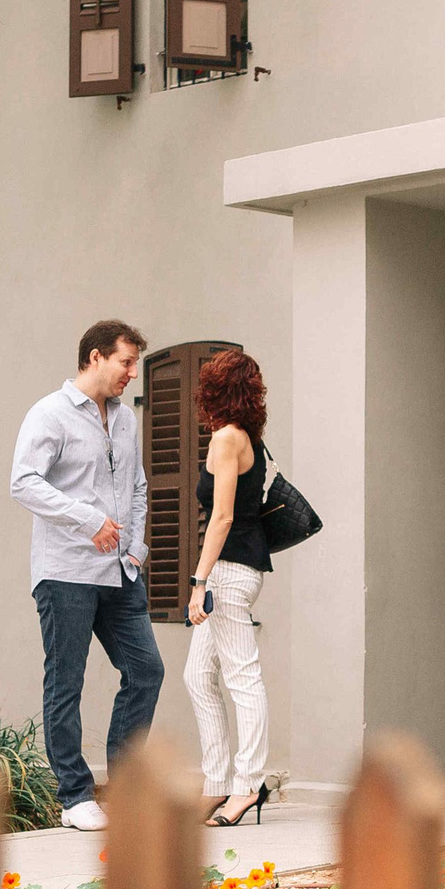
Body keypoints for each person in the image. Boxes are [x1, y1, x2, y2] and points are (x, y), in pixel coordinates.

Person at [10, 320, 167, 833]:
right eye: (126, 362)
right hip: (66, 572)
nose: (132, 374)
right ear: (95, 357)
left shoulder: (124, 420)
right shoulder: (49, 414)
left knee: (146, 671)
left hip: (121, 572)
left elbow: (138, 486)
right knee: (66, 682)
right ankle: (74, 795)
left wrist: (137, 547)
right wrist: (88, 519)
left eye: (135, 364)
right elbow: (23, 483)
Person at [187, 348, 278, 826]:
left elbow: (221, 516)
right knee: (198, 676)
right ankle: (219, 782)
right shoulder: (252, 439)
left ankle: (247, 786)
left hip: (227, 570)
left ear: (214, 391)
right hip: (242, 568)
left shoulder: (226, 439)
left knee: (242, 677)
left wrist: (199, 581)